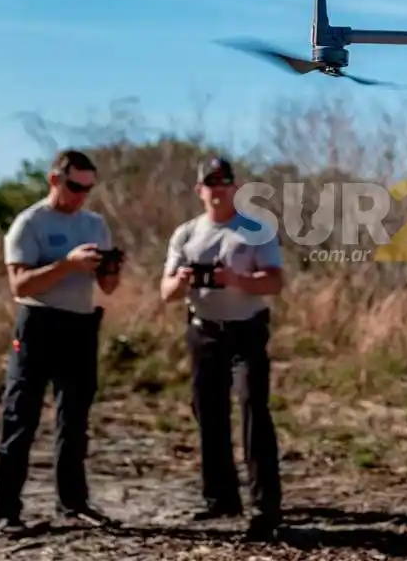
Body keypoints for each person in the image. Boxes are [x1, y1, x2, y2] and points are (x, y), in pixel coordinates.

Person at [0, 149, 125, 535]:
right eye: (75, 186)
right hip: (38, 324)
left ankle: (74, 502)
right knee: (21, 415)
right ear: (55, 180)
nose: (81, 195)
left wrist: (111, 268)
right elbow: (19, 284)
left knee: (75, 420)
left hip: (80, 325)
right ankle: (5, 508)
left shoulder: (95, 224)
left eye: (88, 188)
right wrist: (67, 264)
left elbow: (108, 287)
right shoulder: (29, 223)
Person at [159, 156, 284, 540]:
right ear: (200, 190)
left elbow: (275, 282)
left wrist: (236, 278)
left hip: (245, 330)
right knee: (207, 411)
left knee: (252, 409)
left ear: (235, 188)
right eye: (210, 183)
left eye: (224, 183)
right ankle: (220, 497)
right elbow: (165, 292)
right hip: (203, 331)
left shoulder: (255, 229)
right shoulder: (186, 234)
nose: (217, 190)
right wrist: (182, 281)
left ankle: (264, 506)